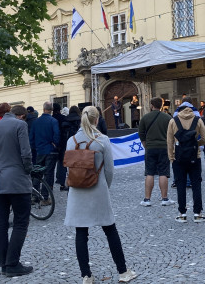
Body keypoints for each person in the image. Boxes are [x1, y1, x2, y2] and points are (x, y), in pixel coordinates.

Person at [64, 106, 138, 284]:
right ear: (97, 120)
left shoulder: (71, 141)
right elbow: (109, 170)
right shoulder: (103, 140)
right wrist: (105, 187)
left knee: (81, 233)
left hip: (77, 192)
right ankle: (123, 271)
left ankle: (86, 276)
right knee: (110, 230)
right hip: (98, 189)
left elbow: (68, 168)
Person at [0, 105, 34, 277]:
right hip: (17, 179)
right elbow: (26, 153)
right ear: (21, 116)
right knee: (20, 222)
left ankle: (4, 264)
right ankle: (12, 263)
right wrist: (27, 170)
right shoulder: (20, 125)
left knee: (1, 224)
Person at [167, 98, 205, 223]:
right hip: (194, 157)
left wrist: (171, 157)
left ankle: (182, 214)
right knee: (196, 184)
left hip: (178, 157)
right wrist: (196, 143)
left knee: (180, 185)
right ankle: (197, 213)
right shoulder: (198, 120)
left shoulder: (173, 121)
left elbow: (169, 141)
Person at [138, 97, 175, 207]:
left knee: (149, 173)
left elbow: (141, 133)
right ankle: (164, 198)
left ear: (151, 105)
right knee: (163, 173)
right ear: (161, 106)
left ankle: (147, 199)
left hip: (150, 148)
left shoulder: (145, 118)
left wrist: (145, 145)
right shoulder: (168, 118)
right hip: (164, 148)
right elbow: (172, 133)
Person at [30, 102, 60, 203]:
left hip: (40, 150)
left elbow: (31, 138)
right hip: (50, 150)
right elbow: (57, 135)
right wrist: (55, 144)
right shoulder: (53, 121)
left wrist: (36, 147)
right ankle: (45, 197)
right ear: (51, 110)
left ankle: (35, 195)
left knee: (37, 173)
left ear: (43, 109)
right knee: (49, 174)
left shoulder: (36, 122)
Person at [58, 106, 81, 192]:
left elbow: (60, 134)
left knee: (64, 165)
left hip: (65, 145)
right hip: (77, 145)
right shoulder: (80, 120)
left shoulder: (65, 120)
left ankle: (63, 183)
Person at [52, 103, 68, 190]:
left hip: (51, 144)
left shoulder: (51, 119)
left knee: (50, 166)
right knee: (62, 163)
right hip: (62, 144)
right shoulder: (63, 118)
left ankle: (48, 186)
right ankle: (61, 183)